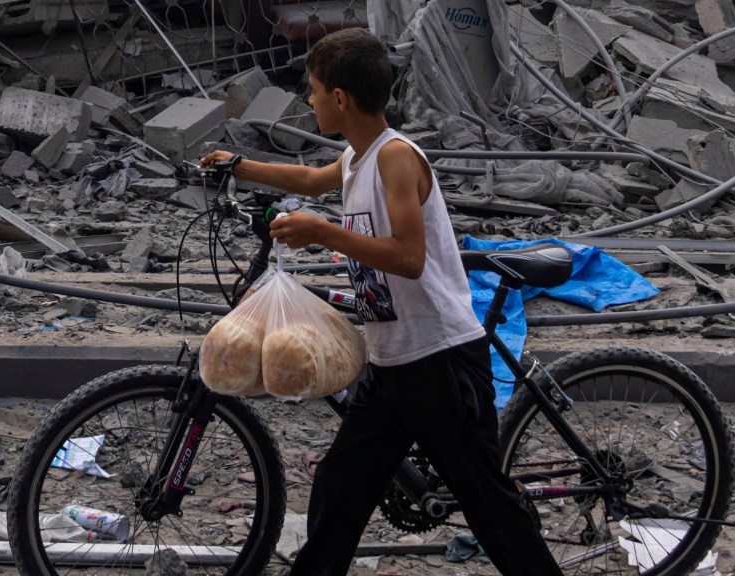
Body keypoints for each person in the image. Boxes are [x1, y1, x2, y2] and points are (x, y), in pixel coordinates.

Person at [200, 29, 562, 576]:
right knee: (340, 487)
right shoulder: (357, 157)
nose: (310, 100)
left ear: (340, 99)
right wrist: (240, 166)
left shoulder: (395, 158)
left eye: (315, 91)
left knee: (490, 507)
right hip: (393, 364)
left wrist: (324, 234)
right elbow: (309, 179)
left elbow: (409, 257)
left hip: (439, 360)